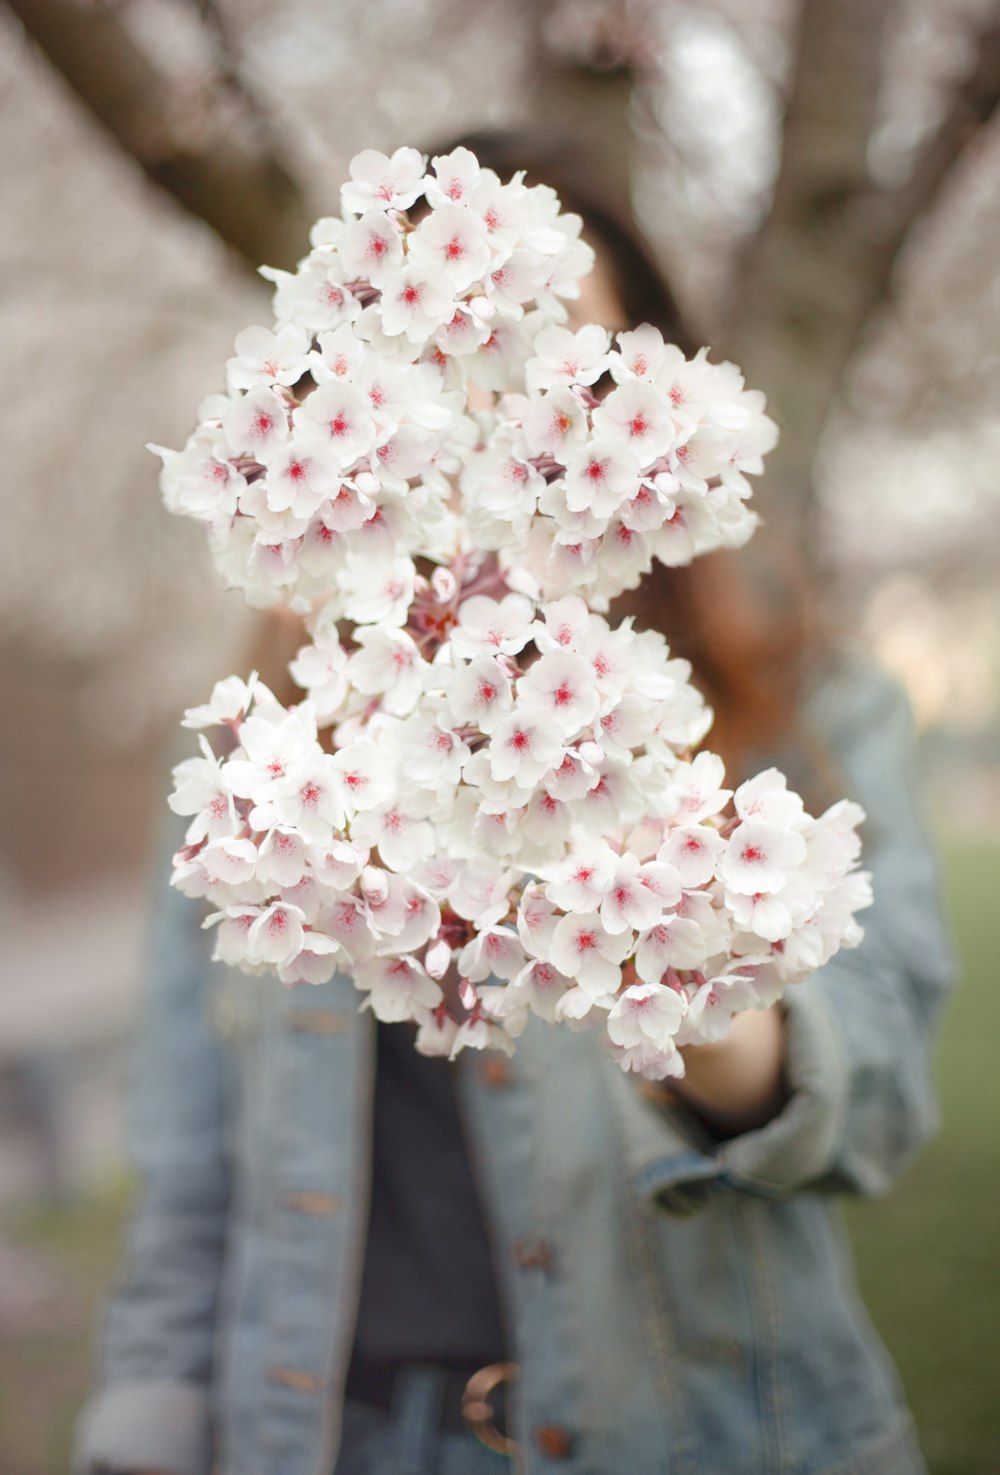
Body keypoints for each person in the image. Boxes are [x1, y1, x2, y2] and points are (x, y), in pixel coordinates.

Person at [75, 132, 954, 1475]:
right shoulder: (271, 746)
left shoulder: (799, 697)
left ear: (646, 378)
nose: (498, 406)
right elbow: (194, 1163)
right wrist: (143, 1428)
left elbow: (879, 1090)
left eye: (555, 358)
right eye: (440, 356)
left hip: (703, 1434)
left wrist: (687, 982)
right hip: (336, 1437)